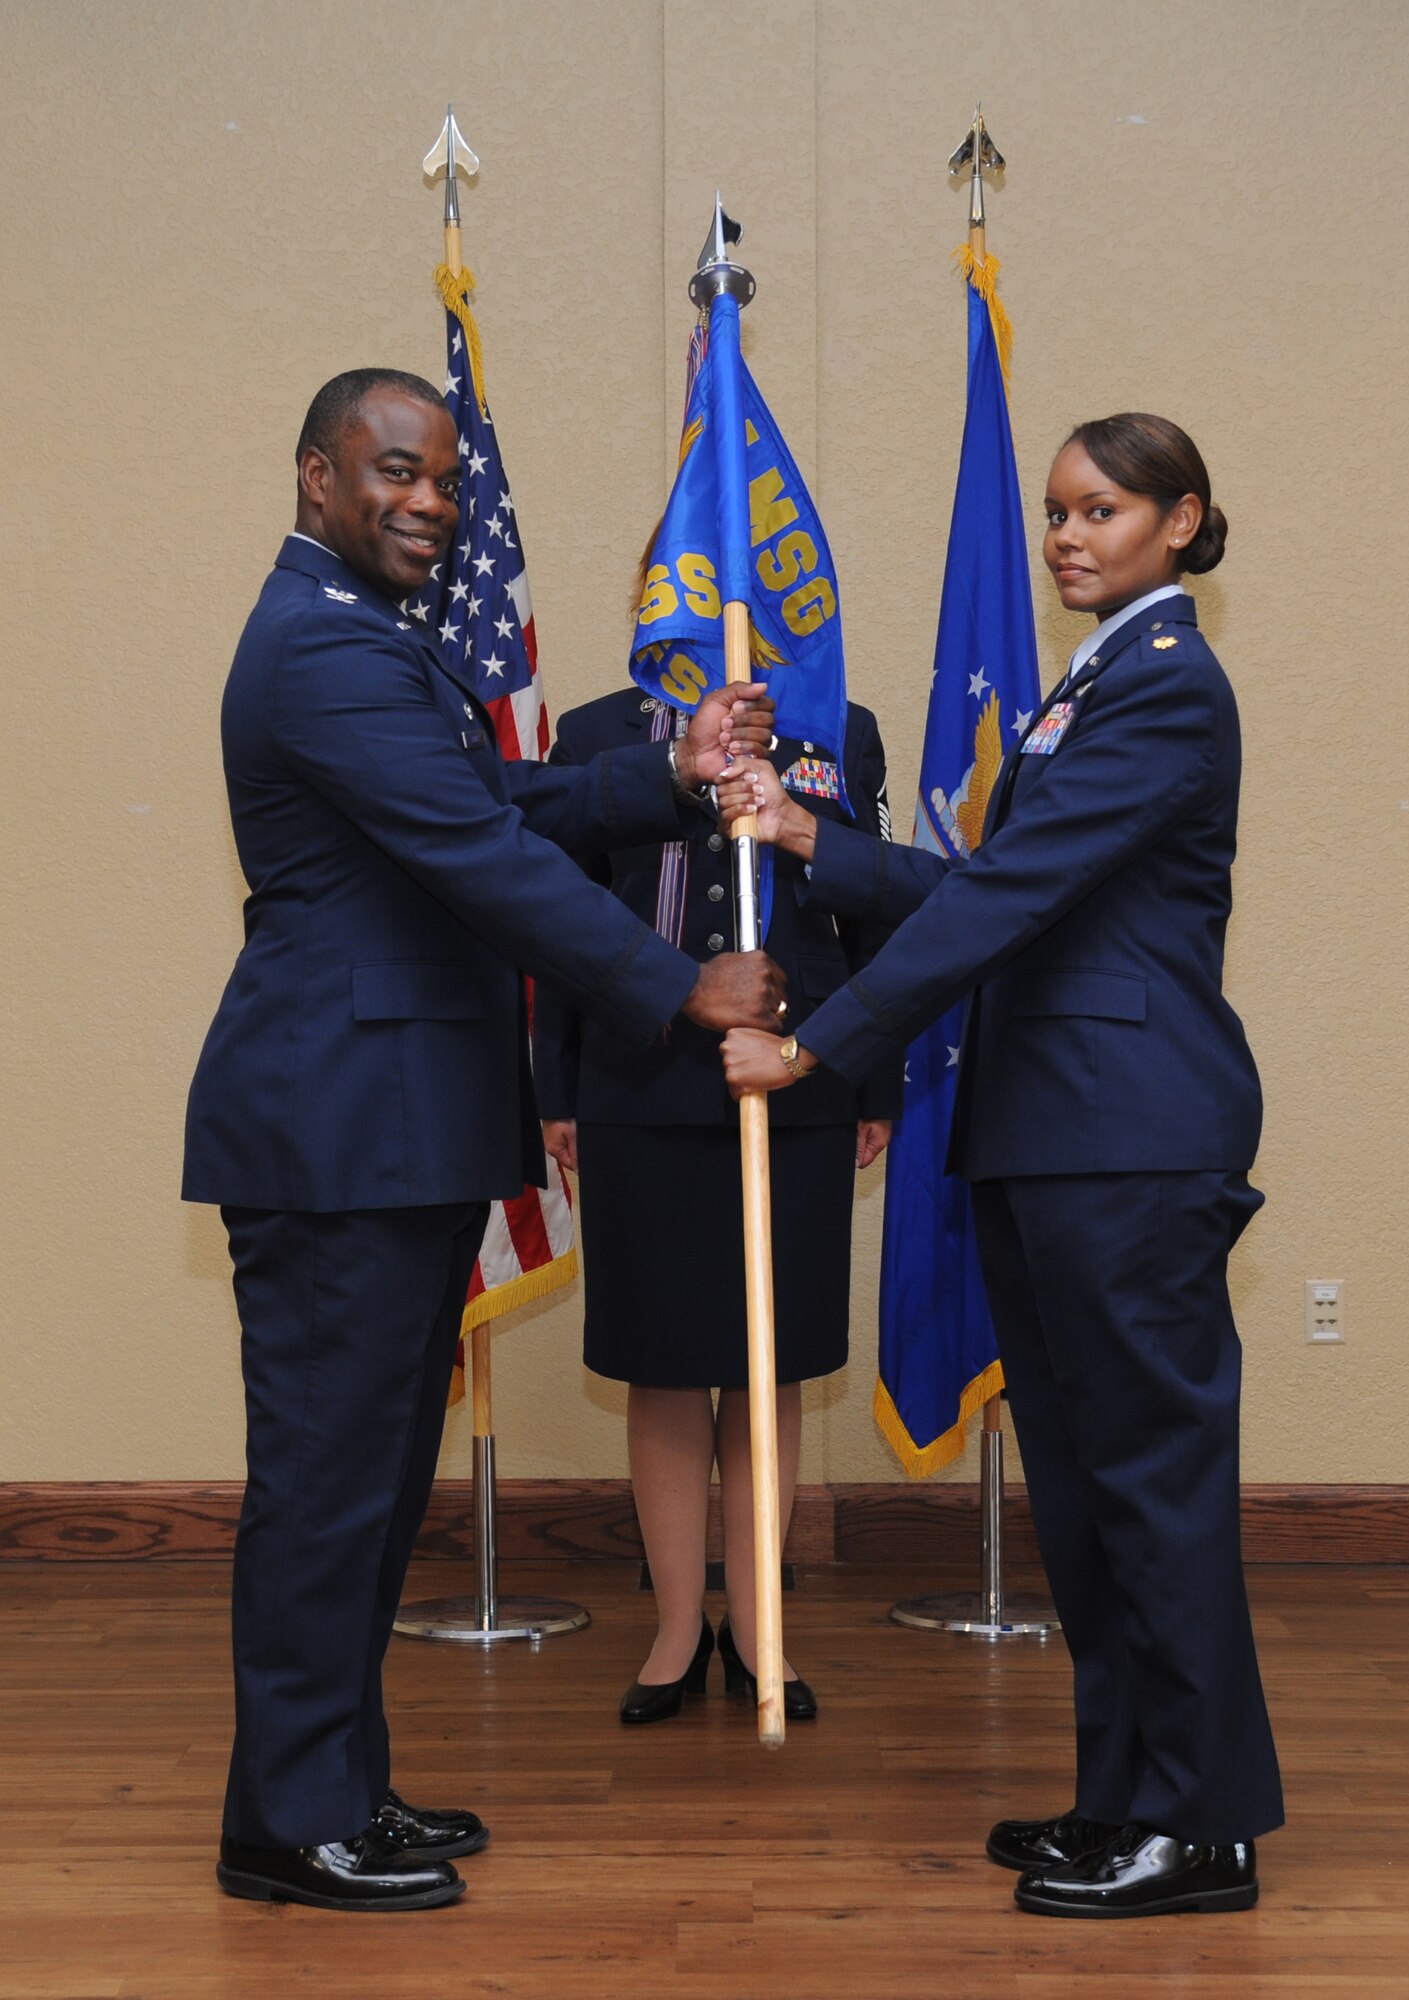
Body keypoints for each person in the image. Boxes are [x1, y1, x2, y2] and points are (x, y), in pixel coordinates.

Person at [182, 368, 785, 1913]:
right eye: (396, 472)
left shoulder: (365, 642)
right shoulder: (320, 645)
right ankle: (289, 1823)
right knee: (329, 1482)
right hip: (339, 1124)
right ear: (316, 475)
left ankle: (334, 1787)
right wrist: (676, 987)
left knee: (373, 1484)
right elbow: (475, 856)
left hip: (392, 1122)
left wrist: (656, 770)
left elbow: (493, 796)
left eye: (445, 480)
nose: (431, 503)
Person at [718, 414, 1283, 1919]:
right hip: (1052, 1131)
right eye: (1053, 514)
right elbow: (978, 886)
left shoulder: (1165, 689)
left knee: (1149, 1490)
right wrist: (805, 834)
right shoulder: (1088, 685)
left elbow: (1012, 899)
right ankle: (1121, 1800)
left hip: (1128, 1131)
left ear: (1182, 521)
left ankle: (1201, 1823)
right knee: (1091, 1499)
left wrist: (816, 1044)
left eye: (1102, 511)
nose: (1066, 538)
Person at [531, 669, 900, 1724]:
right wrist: (557, 1086)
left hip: (798, 1076)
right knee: (660, 1362)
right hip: (638, 1080)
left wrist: (873, 1077)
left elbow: (871, 909)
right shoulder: (599, 734)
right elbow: (558, 921)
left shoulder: (840, 725)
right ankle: (678, 1627)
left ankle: (758, 1626)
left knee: (767, 1360)